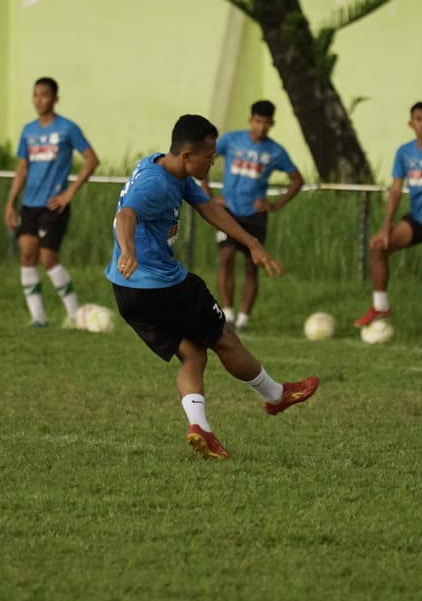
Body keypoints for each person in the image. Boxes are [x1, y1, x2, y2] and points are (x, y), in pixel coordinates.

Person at [106, 114, 319, 460]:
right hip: (161, 285)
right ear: (188, 155)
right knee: (224, 336)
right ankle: (275, 396)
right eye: (210, 155)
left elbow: (208, 209)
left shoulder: (167, 168)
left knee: (192, 352)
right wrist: (128, 250)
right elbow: (126, 215)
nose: (214, 160)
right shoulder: (156, 184)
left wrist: (251, 242)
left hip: (127, 293)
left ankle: (199, 427)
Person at [353, 101, 422, 344]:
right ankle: (381, 306)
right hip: (416, 219)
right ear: (411, 123)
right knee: (378, 246)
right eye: (418, 119)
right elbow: (396, 190)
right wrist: (385, 227)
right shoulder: (404, 152)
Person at [3, 77, 100, 327]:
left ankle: (74, 314)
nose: (39, 100)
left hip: (54, 205)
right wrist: (11, 202)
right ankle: (38, 318)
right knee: (27, 256)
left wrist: (70, 192)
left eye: (44, 95)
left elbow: (91, 160)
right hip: (29, 205)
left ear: (55, 99)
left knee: (48, 258)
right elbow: (22, 167)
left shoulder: (67, 128)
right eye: (35, 95)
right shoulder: (28, 131)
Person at [200, 99, 304, 332]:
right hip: (228, 211)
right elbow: (204, 157)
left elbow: (297, 180)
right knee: (226, 257)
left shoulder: (275, 151)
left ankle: (244, 319)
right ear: (250, 121)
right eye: (257, 122)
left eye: (266, 123)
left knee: (251, 264)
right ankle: (228, 315)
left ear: (271, 124)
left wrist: (275, 205)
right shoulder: (231, 140)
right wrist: (208, 195)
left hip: (254, 214)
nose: (261, 127)